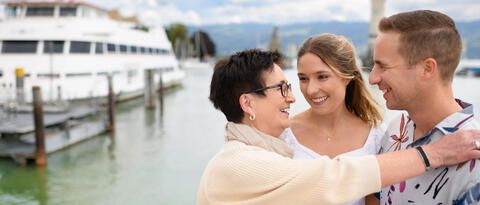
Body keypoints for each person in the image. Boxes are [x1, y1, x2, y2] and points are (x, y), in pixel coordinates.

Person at [197, 49, 480, 205]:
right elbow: (332, 178)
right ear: (248, 104)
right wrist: (434, 154)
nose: (294, 96)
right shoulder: (237, 163)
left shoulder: (262, 152)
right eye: (282, 87)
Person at [368, 10, 480, 204]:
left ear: (427, 68)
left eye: (383, 66)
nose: (372, 78)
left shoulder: (474, 161)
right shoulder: (398, 128)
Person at [280, 33, 383, 205]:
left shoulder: (377, 137)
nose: (311, 90)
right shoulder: (282, 135)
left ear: (346, 76)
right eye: (303, 79)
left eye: (322, 76)